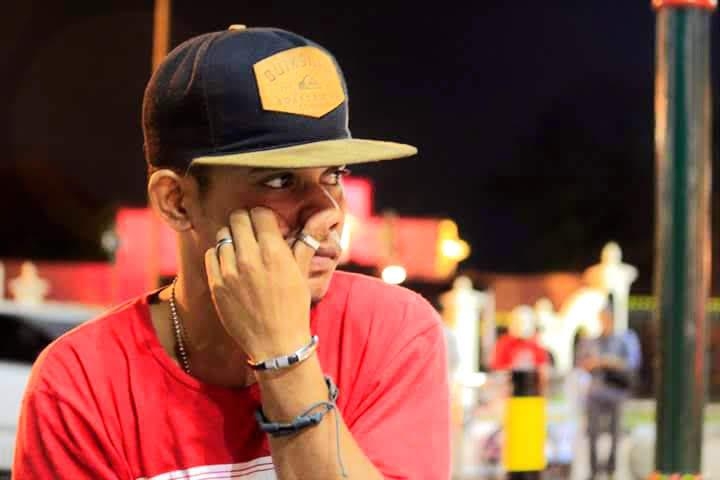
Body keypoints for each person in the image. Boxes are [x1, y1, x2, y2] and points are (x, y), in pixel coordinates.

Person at [12, 26, 450, 479]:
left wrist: (284, 355)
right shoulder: (81, 383)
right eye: (280, 180)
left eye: (333, 175)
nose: (328, 211)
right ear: (177, 202)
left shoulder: (391, 330)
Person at [576, 302, 635, 479]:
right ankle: (594, 469)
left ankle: (611, 468)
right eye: (603, 319)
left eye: (608, 319)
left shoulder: (622, 341)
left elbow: (630, 364)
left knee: (616, 432)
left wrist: (607, 362)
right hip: (596, 392)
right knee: (592, 432)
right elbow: (583, 363)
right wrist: (596, 363)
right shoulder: (592, 342)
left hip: (616, 391)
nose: (605, 322)